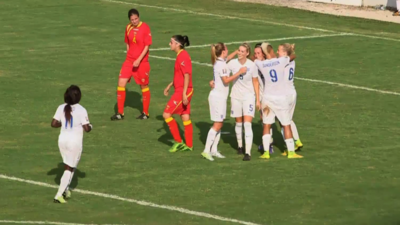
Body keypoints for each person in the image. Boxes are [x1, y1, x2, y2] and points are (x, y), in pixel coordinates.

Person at [255, 43, 302, 159]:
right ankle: (291, 152)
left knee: (266, 125)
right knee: (286, 124)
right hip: (280, 98)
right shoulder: (281, 61)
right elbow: (293, 56)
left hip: (267, 98)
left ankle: (266, 153)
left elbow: (253, 60)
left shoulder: (261, 63)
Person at [201, 43, 247, 161]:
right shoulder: (221, 65)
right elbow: (226, 80)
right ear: (223, 51)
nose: (228, 50)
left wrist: (236, 52)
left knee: (220, 123)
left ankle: (214, 150)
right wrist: (239, 72)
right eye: (227, 49)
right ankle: (206, 150)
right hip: (218, 98)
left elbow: (228, 58)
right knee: (217, 124)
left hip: (220, 97)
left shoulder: (220, 61)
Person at [51, 85, 92, 203]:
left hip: (62, 140)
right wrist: (91, 126)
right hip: (74, 142)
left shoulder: (61, 107)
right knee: (69, 168)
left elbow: (53, 124)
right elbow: (87, 128)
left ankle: (66, 190)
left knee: (68, 166)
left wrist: (64, 124)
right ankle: (58, 195)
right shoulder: (81, 109)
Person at [111, 8, 152, 121]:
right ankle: (120, 113)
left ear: (139, 17)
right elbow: (128, 43)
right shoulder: (128, 27)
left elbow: (147, 46)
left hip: (141, 63)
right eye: (132, 19)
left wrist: (138, 59)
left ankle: (145, 113)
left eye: (136, 19)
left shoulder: (145, 27)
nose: (134, 21)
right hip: (129, 61)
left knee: (143, 86)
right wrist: (129, 55)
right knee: (121, 83)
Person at [228, 43, 260, 161]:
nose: (240, 53)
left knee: (247, 124)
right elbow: (223, 62)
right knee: (238, 123)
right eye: (239, 51)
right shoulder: (232, 63)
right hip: (236, 96)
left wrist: (258, 99)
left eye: (242, 51)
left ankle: (248, 152)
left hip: (248, 97)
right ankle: (240, 146)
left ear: (247, 53)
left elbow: (255, 82)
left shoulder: (252, 65)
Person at [163, 35, 194, 152]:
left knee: (166, 114)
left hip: (183, 91)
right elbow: (180, 75)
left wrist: (184, 94)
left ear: (178, 44)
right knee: (185, 116)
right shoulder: (180, 55)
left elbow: (187, 75)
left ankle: (179, 141)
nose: (169, 44)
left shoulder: (183, 56)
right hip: (181, 89)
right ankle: (189, 145)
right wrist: (170, 85)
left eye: (171, 42)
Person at [253, 43, 274, 155]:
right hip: (263, 96)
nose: (256, 55)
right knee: (265, 120)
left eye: (258, 53)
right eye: (255, 53)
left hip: (269, 97)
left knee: (267, 121)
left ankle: (269, 145)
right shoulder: (261, 63)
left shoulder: (265, 65)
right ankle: (269, 143)